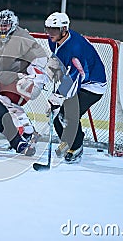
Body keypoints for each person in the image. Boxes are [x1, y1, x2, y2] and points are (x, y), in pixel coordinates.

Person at [0, 9, 50, 141]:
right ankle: (28, 130)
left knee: (3, 101)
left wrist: (32, 77)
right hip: (3, 78)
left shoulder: (23, 37)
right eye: (0, 25)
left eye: (5, 25)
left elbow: (41, 58)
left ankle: (26, 130)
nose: (2, 28)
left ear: (13, 25)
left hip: (21, 78)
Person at [44, 12, 107, 163]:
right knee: (57, 117)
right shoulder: (54, 40)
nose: (50, 33)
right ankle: (67, 142)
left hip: (93, 85)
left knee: (67, 113)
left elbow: (76, 79)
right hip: (77, 78)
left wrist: (58, 96)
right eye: (48, 29)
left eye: (54, 29)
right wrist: (56, 66)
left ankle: (76, 146)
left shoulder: (76, 49)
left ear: (64, 29)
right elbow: (60, 58)